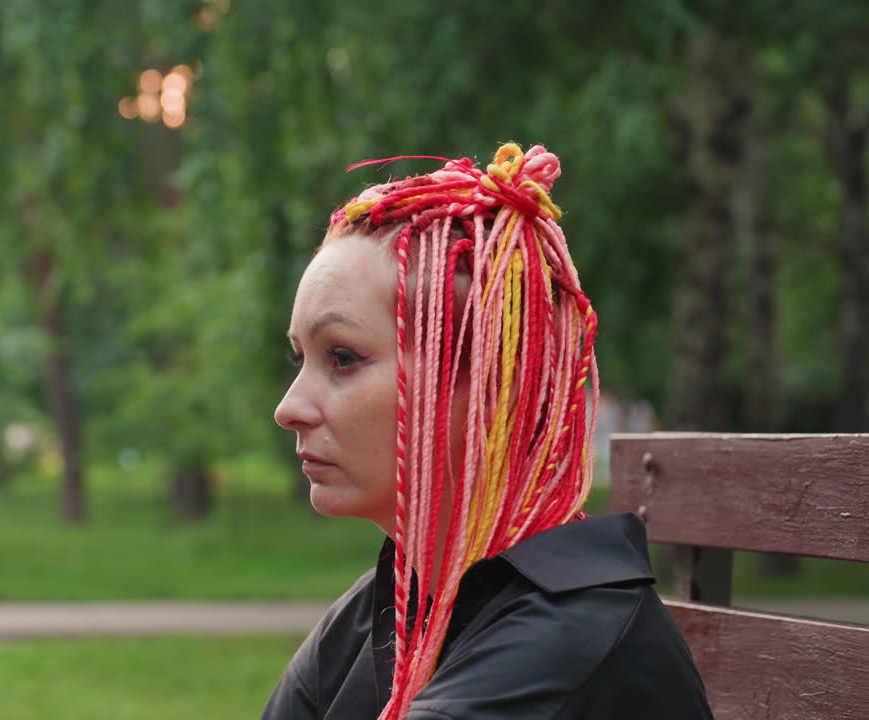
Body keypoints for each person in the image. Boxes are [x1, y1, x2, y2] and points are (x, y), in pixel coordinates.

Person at [265, 143, 712, 719]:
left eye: (343, 357)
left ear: (485, 382)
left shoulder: (570, 636)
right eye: (299, 357)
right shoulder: (388, 611)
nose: (289, 407)